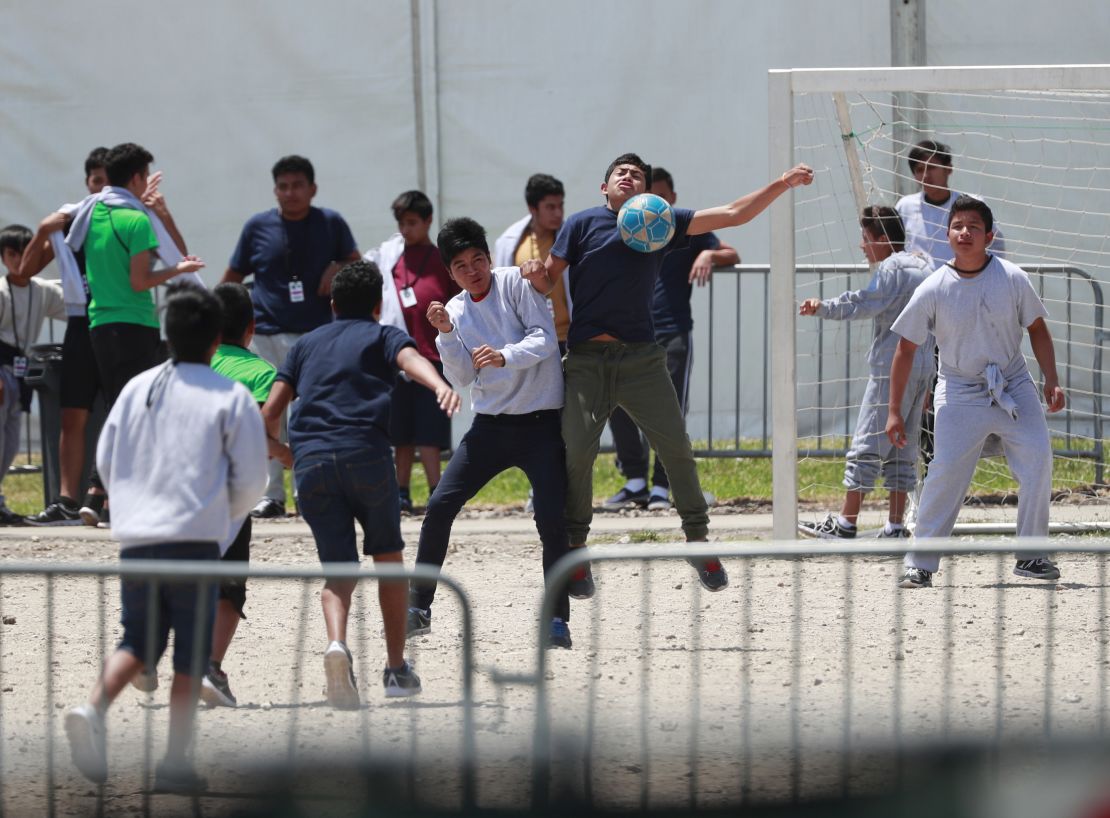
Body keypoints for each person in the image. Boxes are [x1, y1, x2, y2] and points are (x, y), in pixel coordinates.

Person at [522, 152, 814, 596]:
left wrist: (782, 183)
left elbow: (735, 214)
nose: (629, 176)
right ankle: (577, 551)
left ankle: (698, 539)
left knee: (677, 449)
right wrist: (532, 274)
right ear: (605, 188)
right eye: (621, 172)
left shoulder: (662, 220)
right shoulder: (581, 224)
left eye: (637, 174)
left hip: (642, 359)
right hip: (587, 359)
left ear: (647, 190)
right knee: (576, 453)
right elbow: (547, 282)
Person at [64, 283, 267, 794]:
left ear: (167, 335)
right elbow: (250, 479)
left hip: (138, 535)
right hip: (196, 537)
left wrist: (127, 510)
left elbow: (107, 459)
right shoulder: (231, 395)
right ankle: (176, 761)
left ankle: (92, 708)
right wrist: (223, 525)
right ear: (215, 338)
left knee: (137, 638)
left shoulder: (139, 387)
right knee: (189, 654)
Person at [261, 260, 460, 709]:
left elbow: (270, 414)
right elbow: (410, 361)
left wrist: (285, 454)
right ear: (377, 306)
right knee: (388, 560)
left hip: (312, 464)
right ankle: (394, 668)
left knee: (338, 570)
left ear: (332, 304)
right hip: (366, 456)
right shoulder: (383, 334)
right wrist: (439, 385)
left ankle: (337, 644)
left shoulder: (305, 345)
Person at [886, 196, 1065, 589]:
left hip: (1014, 384)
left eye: (974, 227)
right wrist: (895, 411)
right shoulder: (933, 287)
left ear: (990, 236)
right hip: (960, 389)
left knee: (1038, 458)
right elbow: (905, 349)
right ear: (947, 234)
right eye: (957, 226)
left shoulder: (1013, 277)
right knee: (944, 471)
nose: (965, 233)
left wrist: (1051, 378)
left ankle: (1032, 555)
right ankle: (920, 563)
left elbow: (1037, 329)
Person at [409, 218, 572, 648]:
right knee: (440, 505)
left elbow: (545, 340)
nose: (472, 270)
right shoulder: (457, 310)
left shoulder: (515, 283)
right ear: (450, 272)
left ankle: (558, 620)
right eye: (461, 265)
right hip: (491, 427)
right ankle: (418, 606)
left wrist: (504, 356)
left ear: (489, 256)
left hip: (541, 423)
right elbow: (461, 375)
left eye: (478, 259)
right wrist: (445, 333)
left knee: (552, 520)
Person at [63, 142, 206, 526]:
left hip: (99, 323)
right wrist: (177, 271)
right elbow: (141, 280)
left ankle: (98, 495)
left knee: (119, 408)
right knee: (135, 412)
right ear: (138, 177)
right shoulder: (137, 220)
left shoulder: (91, 213)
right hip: (135, 325)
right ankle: (108, 497)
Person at [222, 155, 361, 519]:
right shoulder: (257, 227)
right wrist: (213, 319)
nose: (291, 193)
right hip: (263, 333)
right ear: (275, 190)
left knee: (309, 412)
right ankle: (269, 494)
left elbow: (358, 265)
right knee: (265, 415)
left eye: (298, 185)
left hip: (315, 335)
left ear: (312, 188)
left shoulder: (331, 224)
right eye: (283, 186)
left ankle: (308, 489)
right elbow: (232, 278)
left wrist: (338, 266)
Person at [603, 167, 740, 512]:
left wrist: (710, 254)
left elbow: (730, 251)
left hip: (672, 331)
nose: (657, 204)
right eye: (651, 197)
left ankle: (663, 486)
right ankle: (635, 481)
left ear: (673, 199)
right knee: (615, 402)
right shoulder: (628, 226)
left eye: (663, 197)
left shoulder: (681, 227)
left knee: (670, 411)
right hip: (628, 334)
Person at [796, 206, 933, 539]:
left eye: (866, 238)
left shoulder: (892, 267)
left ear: (884, 240)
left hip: (892, 369)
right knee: (904, 447)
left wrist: (823, 307)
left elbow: (865, 302)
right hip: (924, 366)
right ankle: (896, 525)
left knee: (866, 445)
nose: (862, 245)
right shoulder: (926, 264)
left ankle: (846, 523)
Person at [201, 282, 292, 706]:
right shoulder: (261, 373)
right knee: (229, 587)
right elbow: (257, 431)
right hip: (231, 496)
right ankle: (211, 667)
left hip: (180, 491)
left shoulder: (189, 366)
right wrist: (286, 454)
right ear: (251, 328)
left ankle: (143, 652)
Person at [371, 190, 461, 514]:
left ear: (427, 221)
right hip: (396, 358)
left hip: (433, 356)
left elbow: (458, 300)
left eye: (412, 222)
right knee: (401, 432)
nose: (406, 229)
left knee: (430, 430)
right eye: (401, 223)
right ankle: (401, 490)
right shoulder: (390, 257)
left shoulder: (441, 259)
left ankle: (438, 490)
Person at [0, 226, 67, 524]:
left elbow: (74, 305)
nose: (18, 260)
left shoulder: (42, 290)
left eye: (24, 253)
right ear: (3, 258)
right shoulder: (1, 292)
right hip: (2, 369)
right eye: (11, 254)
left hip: (20, 369)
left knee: (11, 441)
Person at [895, 139, 1006, 267]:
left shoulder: (972, 203)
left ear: (948, 168)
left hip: (965, 281)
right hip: (919, 284)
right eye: (919, 170)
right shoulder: (905, 206)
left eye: (931, 167)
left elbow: (996, 245)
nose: (925, 175)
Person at [493, 174, 571, 351]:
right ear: (532, 208)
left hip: (568, 338)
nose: (558, 213)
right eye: (550, 207)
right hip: (527, 340)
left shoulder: (572, 238)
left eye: (561, 205)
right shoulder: (509, 243)